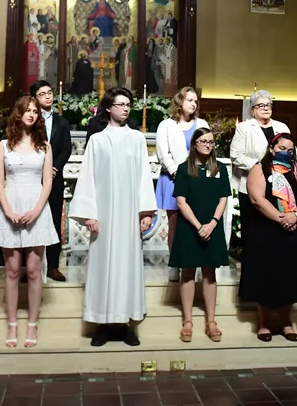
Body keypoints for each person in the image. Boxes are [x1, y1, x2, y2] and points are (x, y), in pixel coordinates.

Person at [68, 88, 156, 347]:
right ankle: (103, 324)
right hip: (104, 216)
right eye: (120, 104)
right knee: (103, 267)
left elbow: (143, 176)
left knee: (127, 267)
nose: (126, 109)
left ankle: (126, 323)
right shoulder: (97, 140)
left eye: (128, 104)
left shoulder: (137, 139)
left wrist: (146, 212)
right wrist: (89, 214)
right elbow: (87, 179)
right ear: (108, 108)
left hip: (129, 215)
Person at [0, 96, 59, 348]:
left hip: (36, 208)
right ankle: (12, 325)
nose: (31, 114)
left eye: (35, 111)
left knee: (33, 269)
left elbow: (47, 182)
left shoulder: (45, 147)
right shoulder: (3, 146)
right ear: (17, 114)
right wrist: (7, 210)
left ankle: (32, 324)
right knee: (12, 269)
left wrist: (37, 209)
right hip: (11, 207)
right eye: (27, 110)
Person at [239, 132, 297, 342]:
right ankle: (264, 323)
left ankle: (286, 322)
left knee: (290, 275)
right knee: (267, 275)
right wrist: (282, 218)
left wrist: (295, 215)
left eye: (290, 150)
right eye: (282, 148)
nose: (286, 153)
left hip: (294, 229)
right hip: (266, 229)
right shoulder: (260, 168)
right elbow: (257, 199)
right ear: (272, 148)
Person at [169, 127, 230, 342]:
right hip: (190, 226)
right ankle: (187, 321)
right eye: (203, 141)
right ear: (194, 144)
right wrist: (198, 226)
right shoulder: (184, 168)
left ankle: (211, 321)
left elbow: (224, 198)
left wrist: (212, 224)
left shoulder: (220, 168)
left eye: (211, 142)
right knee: (187, 272)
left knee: (209, 274)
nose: (208, 145)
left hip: (212, 225)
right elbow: (180, 201)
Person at [228, 90, 290, 261]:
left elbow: (292, 152)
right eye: (261, 105)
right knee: (253, 228)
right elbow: (236, 155)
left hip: (278, 185)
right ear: (253, 109)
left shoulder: (282, 127)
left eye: (268, 105)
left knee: (274, 228)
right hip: (251, 185)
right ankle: (252, 261)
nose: (265, 108)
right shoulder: (244, 128)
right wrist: (258, 167)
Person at [155, 86, 208, 281]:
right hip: (174, 178)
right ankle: (174, 264)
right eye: (189, 100)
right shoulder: (166, 125)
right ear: (180, 102)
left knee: (197, 222)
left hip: (197, 180)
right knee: (175, 224)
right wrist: (177, 172)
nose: (193, 104)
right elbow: (163, 153)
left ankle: (197, 261)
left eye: (195, 101)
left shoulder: (202, 123)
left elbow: (207, 148)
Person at [30, 80, 72, 282]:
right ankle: (29, 266)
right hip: (31, 178)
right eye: (42, 94)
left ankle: (53, 265)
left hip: (54, 178)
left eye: (49, 92)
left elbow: (66, 149)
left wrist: (53, 168)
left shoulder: (62, 122)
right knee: (31, 219)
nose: (48, 96)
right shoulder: (29, 120)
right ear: (34, 98)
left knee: (55, 220)